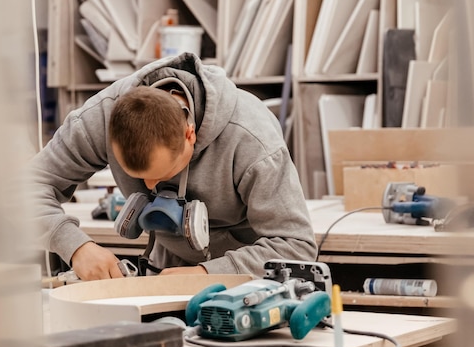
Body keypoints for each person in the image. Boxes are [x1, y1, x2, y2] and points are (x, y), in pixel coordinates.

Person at [29, 52, 317, 280]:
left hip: (245, 280)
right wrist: (76, 246)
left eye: (162, 175)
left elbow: (296, 247)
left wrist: (207, 274)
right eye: (139, 179)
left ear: (189, 134)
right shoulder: (99, 118)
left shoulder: (252, 140)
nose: (152, 189)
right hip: (165, 273)